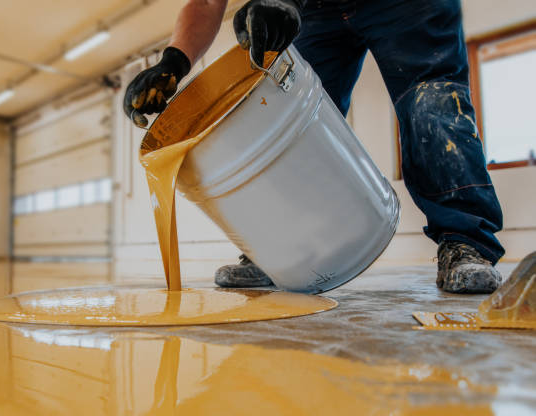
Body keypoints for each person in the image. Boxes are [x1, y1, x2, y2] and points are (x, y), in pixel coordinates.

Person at [123, 0, 505, 294]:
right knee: (278, 110)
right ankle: (277, 253)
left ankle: (465, 241)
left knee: (430, 98)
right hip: (318, 9)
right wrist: (173, 61)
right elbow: (206, 3)